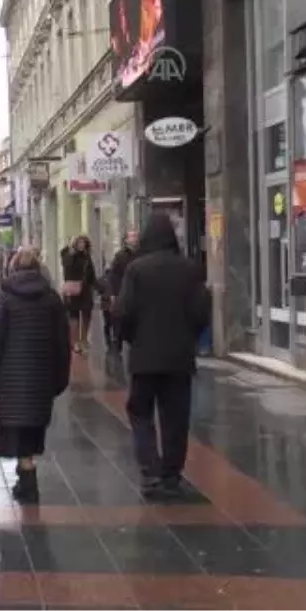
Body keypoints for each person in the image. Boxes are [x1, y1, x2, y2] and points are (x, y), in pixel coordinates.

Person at [116, 212, 210, 499]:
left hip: (144, 357)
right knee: (176, 417)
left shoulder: (136, 269)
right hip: (179, 357)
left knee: (140, 412)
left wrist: (133, 339)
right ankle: (171, 473)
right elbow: (201, 312)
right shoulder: (189, 269)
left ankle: (150, 471)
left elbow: (124, 312)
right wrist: (188, 338)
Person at [0, 246, 71, 503]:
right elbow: (62, 344)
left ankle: (28, 481)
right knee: (32, 430)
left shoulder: (3, 299)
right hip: (41, 379)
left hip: (9, 380)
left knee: (18, 430)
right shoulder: (52, 299)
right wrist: (60, 379)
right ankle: (26, 478)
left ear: (13, 267)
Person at [59, 235, 98, 353]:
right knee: (74, 316)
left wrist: (95, 286)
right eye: (79, 243)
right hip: (73, 290)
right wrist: (70, 250)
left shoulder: (87, 257)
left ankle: (84, 340)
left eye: (83, 243)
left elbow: (91, 273)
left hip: (86, 289)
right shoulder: (69, 256)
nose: (81, 245)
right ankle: (74, 341)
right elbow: (66, 266)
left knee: (86, 315)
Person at [107, 231, 139, 350]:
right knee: (121, 318)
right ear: (126, 240)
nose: (135, 238)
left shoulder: (141, 254)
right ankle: (118, 342)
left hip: (137, 291)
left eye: (136, 236)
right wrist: (113, 294)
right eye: (132, 236)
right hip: (123, 290)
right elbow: (113, 275)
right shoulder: (120, 256)